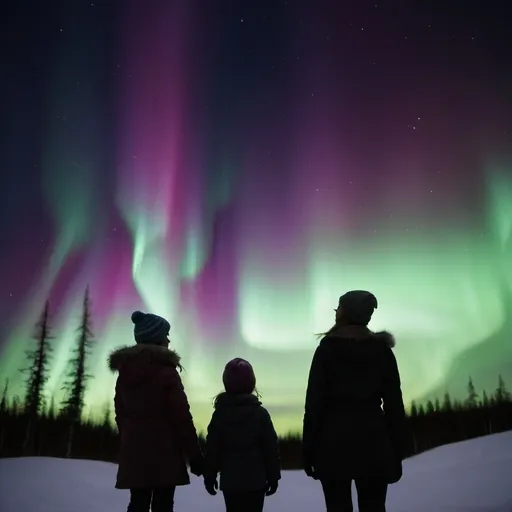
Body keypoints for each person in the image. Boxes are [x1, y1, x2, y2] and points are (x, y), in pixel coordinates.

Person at [302, 290, 410, 512]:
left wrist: (309, 450)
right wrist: (398, 449)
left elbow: (314, 406)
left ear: (346, 313)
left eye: (339, 307)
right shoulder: (382, 352)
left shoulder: (326, 350)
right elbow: (394, 405)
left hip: (333, 445)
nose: (336, 311)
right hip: (374, 443)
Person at [108, 310, 204, 512]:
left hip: (134, 452)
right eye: (165, 335)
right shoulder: (166, 373)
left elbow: (121, 415)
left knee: (138, 503)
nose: (168, 339)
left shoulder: (125, 373)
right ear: (156, 339)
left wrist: (130, 440)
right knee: (163, 505)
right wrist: (194, 456)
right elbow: (182, 418)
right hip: (165, 455)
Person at [203, 357, 281, 512]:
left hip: (231, 483)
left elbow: (212, 449)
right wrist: (273, 476)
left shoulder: (220, 415)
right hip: (256, 482)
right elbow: (270, 449)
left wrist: (209, 475)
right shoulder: (260, 414)